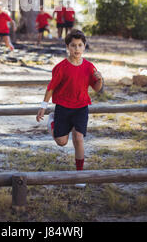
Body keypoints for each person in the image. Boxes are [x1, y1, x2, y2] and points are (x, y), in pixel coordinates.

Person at [36, 29, 103, 187]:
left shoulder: (89, 67)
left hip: (81, 107)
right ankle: (52, 121)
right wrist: (43, 107)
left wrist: (100, 79)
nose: (77, 49)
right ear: (67, 47)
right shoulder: (62, 67)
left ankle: (79, 175)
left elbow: (97, 88)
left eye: (80, 45)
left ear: (84, 46)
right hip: (63, 107)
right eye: (73, 45)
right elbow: (51, 88)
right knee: (61, 142)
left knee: (78, 139)